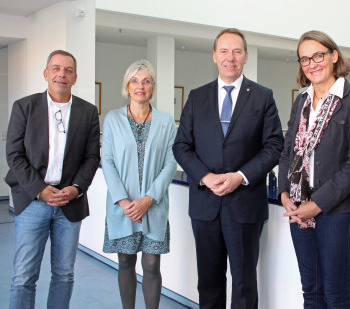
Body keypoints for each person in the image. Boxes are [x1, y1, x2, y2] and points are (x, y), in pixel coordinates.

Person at [173, 28, 284, 309]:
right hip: (205, 205)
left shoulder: (262, 97)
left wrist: (240, 177)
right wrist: (206, 177)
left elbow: (274, 146)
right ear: (214, 55)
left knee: (244, 283)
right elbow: (181, 146)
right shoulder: (197, 98)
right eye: (224, 51)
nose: (230, 58)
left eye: (236, 51)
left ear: (245, 56)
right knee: (208, 282)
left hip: (245, 205)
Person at [278, 30, 350, 308]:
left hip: (337, 212)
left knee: (335, 293)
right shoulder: (302, 101)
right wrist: (285, 192)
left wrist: (318, 203)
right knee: (311, 291)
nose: (312, 63)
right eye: (304, 59)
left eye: (318, 55)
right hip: (298, 208)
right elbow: (288, 152)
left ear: (334, 56)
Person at [5, 50, 100, 309]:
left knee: (64, 274)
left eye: (68, 70)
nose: (62, 74)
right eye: (56, 68)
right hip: (33, 201)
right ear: (46, 74)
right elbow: (14, 154)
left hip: (69, 203)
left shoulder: (88, 112)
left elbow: (92, 157)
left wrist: (75, 189)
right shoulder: (24, 107)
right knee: (24, 276)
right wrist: (40, 189)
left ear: (75, 77)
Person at [101, 59, 177, 309]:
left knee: (152, 264)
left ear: (152, 86)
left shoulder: (167, 122)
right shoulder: (112, 119)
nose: (140, 86)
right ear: (127, 85)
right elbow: (108, 161)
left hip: (153, 205)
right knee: (125, 261)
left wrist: (148, 199)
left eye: (146, 81)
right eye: (135, 80)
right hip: (123, 206)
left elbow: (170, 164)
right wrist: (124, 201)